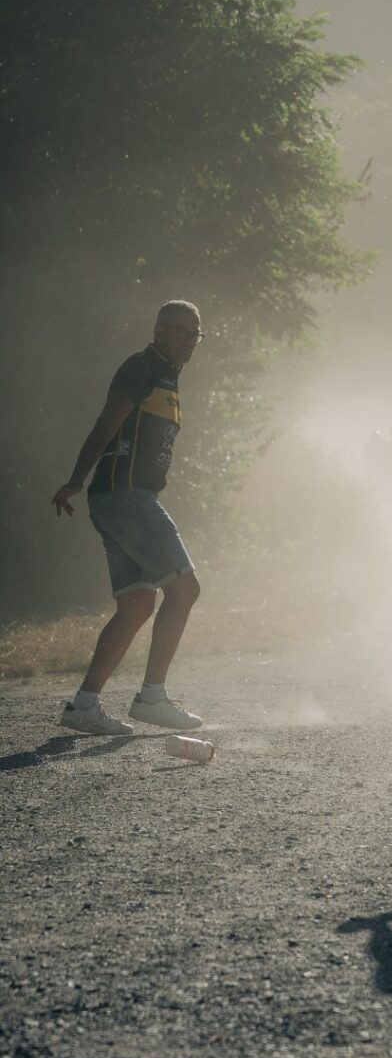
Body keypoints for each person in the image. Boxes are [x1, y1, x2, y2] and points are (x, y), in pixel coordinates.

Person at [50, 301, 206, 735]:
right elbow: (107, 423)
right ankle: (153, 697)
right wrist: (76, 479)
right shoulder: (141, 368)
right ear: (157, 329)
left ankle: (83, 706)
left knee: (137, 605)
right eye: (176, 330)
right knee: (185, 589)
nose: (185, 339)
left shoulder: (168, 378)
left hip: (120, 499)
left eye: (193, 333)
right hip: (125, 497)